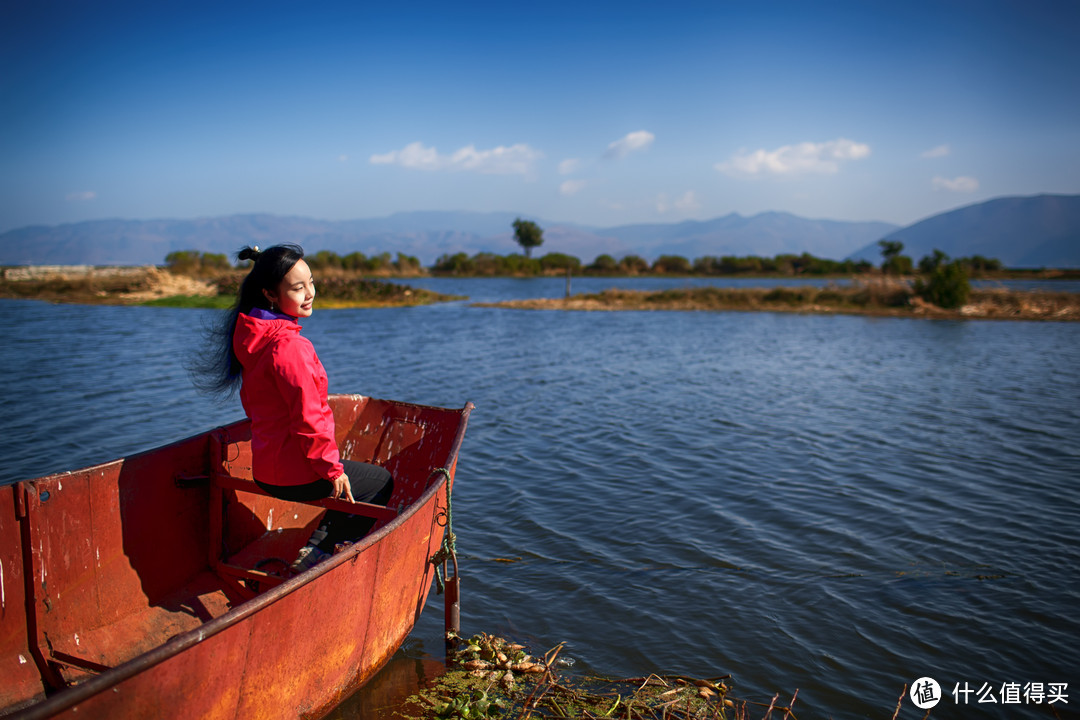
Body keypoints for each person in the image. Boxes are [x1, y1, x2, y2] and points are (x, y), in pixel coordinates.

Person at [194, 243, 393, 572]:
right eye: (298, 287)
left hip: (265, 473)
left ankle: (318, 544)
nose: (310, 293)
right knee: (380, 482)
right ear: (271, 294)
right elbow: (308, 420)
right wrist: (333, 471)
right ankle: (319, 551)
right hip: (296, 476)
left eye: (311, 282)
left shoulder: (250, 338)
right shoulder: (289, 347)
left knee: (352, 477)